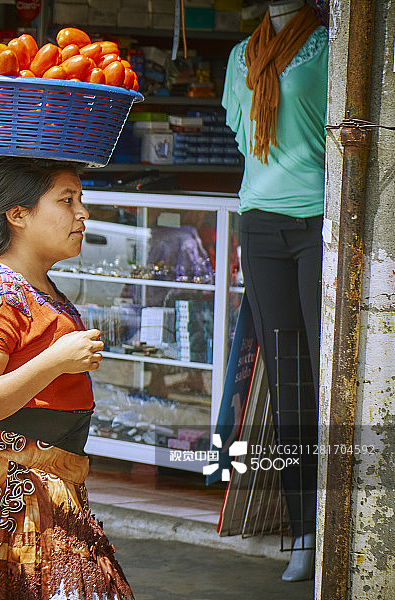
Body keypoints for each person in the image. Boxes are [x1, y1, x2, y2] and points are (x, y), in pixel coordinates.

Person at [0, 157, 134, 600]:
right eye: (66, 200)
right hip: (8, 494)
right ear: (18, 215)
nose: (82, 214)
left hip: (49, 483)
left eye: (81, 200)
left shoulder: (38, 286)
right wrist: (55, 360)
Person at [222, 0, 327, 582]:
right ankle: (302, 532)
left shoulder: (335, 49)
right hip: (259, 222)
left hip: (319, 222)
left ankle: (337, 520)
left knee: (323, 376)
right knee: (287, 380)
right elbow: (248, 144)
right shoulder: (243, 56)